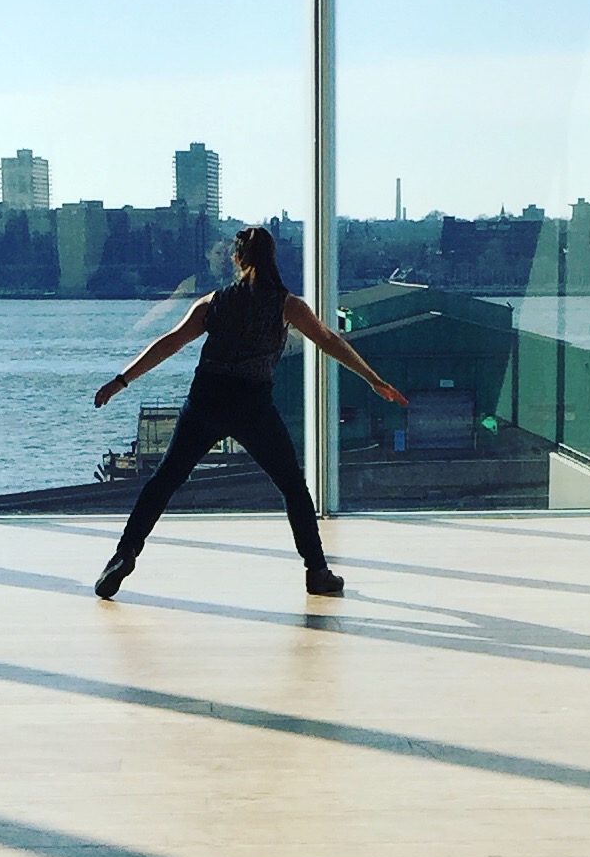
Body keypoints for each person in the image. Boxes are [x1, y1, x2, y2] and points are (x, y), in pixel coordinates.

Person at [92, 225, 407, 600]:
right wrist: (373, 380)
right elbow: (329, 340)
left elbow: (170, 343)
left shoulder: (213, 303)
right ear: (271, 258)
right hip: (252, 403)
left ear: (237, 259)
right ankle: (317, 571)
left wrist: (120, 381)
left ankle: (124, 554)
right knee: (292, 487)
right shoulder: (287, 305)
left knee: (164, 481)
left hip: (206, 397)